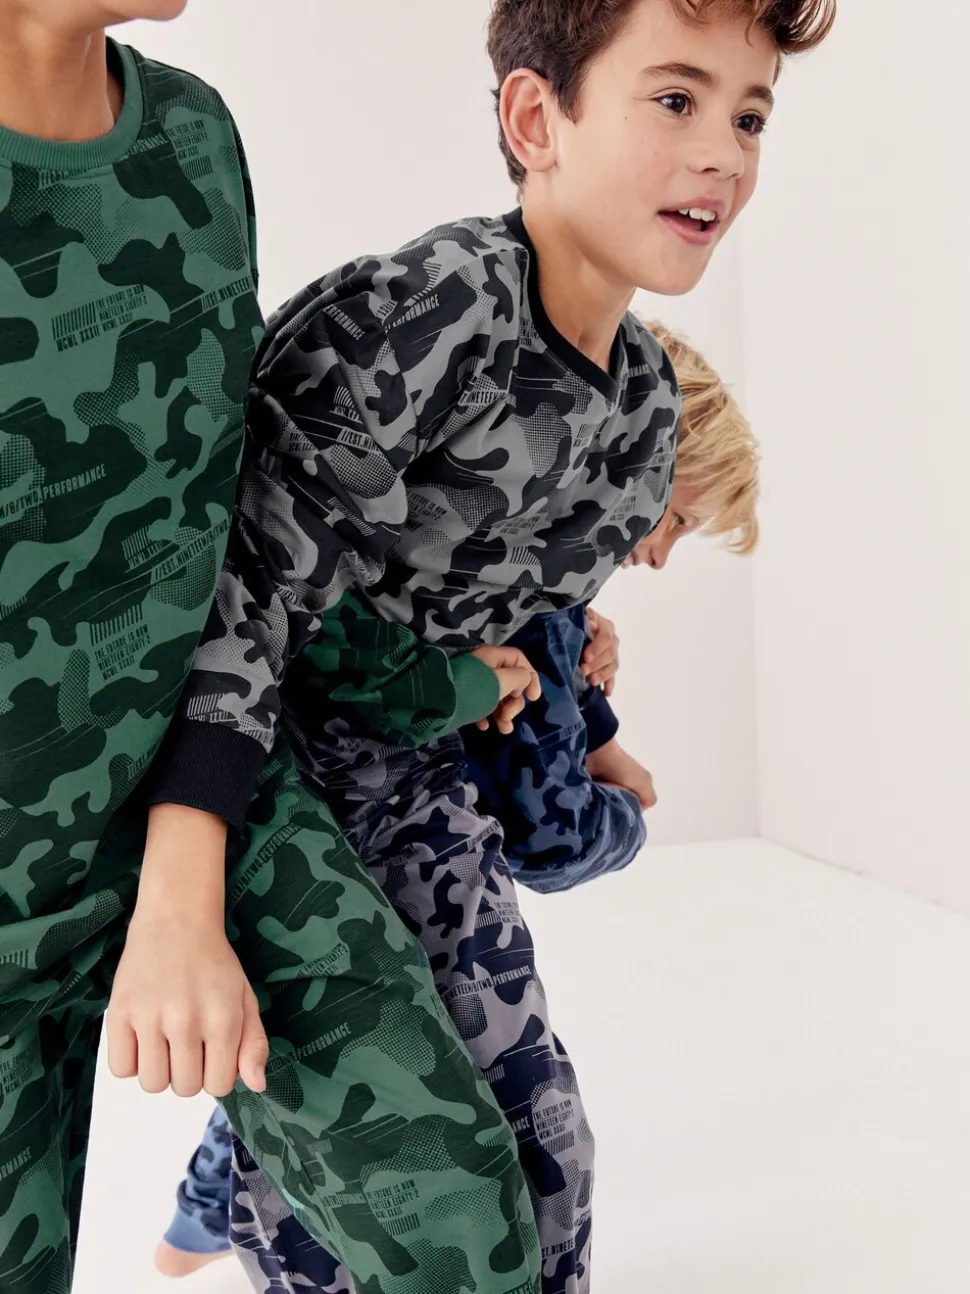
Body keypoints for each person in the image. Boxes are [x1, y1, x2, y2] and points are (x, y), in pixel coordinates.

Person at [0, 6, 543, 1293]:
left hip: (201, 807)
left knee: (462, 1228)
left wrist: (457, 670)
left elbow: (239, 527)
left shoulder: (192, 135)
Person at [155, 318, 760, 1278]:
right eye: (677, 520)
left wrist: (596, 716)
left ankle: (197, 1218)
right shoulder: (530, 591)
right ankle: (214, 1219)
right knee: (496, 1131)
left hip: (294, 838)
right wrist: (628, 817)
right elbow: (551, 833)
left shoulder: (475, 545)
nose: (659, 554)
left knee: (321, 1068)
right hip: (409, 853)